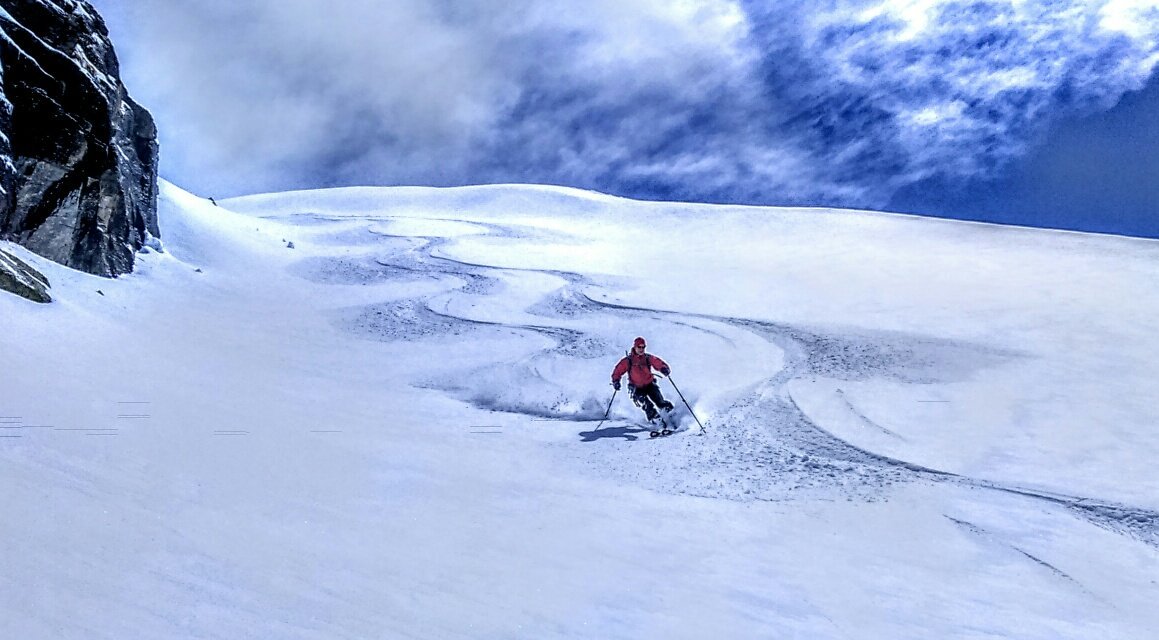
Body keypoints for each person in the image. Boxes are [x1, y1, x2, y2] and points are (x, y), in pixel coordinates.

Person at [610, 336, 675, 422]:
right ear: (634, 347)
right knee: (647, 405)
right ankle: (657, 421)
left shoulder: (647, 358)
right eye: (639, 347)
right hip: (637, 388)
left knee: (660, 402)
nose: (641, 349)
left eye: (643, 347)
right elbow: (618, 371)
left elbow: (658, 363)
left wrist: (664, 369)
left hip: (650, 384)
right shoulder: (628, 361)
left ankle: (673, 416)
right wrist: (616, 381)